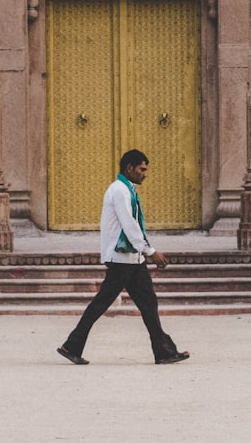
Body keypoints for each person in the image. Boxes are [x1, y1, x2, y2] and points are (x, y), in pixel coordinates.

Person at [57, 149, 190, 365]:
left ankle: (164, 351)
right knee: (104, 303)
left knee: (147, 303)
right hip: (122, 258)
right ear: (129, 168)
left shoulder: (128, 190)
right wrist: (150, 251)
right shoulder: (119, 191)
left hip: (131, 259)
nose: (144, 174)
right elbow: (129, 225)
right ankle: (72, 345)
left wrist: (143, 252)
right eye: (142, 169)